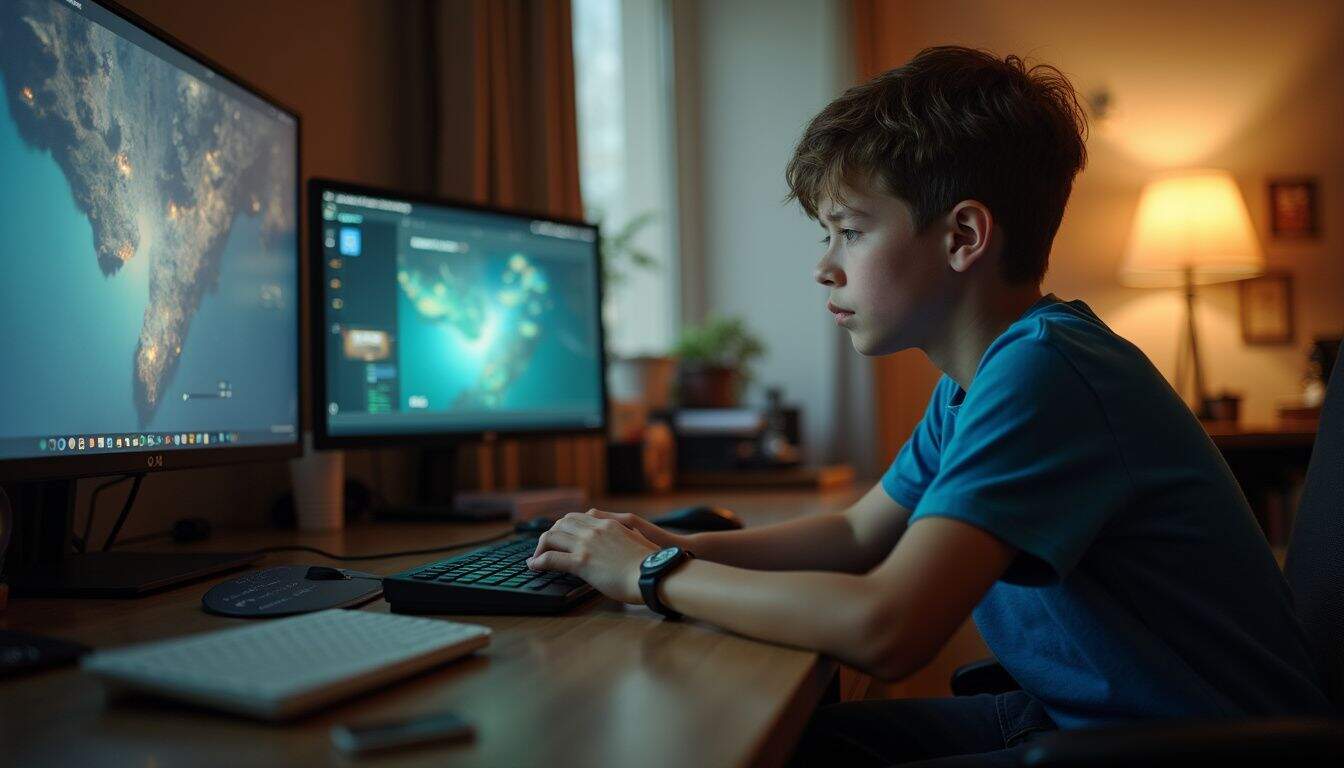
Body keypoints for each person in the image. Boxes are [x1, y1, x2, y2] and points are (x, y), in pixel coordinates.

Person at [526, 46, 1331, 766]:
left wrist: (649, 574)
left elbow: (888, 627)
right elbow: (856, 535)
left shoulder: (1045, 375)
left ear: (963, 236)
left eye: (847, 230)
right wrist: (660, 539)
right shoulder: (980, 381)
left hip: (1181, 749)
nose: (824, 268)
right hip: (1083, 720)